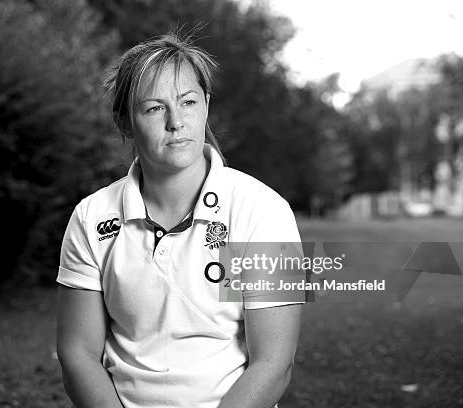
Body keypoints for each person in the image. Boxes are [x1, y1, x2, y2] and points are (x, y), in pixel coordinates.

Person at [56, 32, 304, 408]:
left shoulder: (265, 210)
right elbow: (77, 355)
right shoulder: (90, 217)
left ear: (205, 104)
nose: (176, 121)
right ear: (125, 122)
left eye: (188, 102)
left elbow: (274, 363)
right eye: (155, 108)